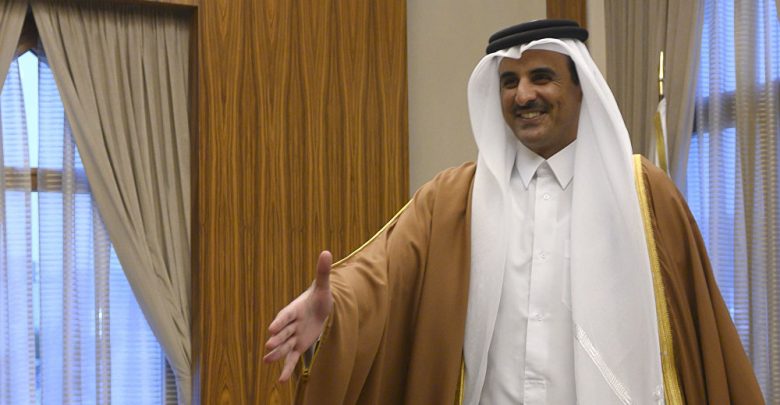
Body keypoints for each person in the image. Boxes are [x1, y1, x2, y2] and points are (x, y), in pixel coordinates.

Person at [263, 20, 765, 405]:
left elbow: (701, 330)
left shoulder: (643, 195)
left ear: (581, 88)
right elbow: (379, 275)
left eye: (541, 77)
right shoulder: (454, 199)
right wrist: (334, 310)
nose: (523, 95)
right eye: (509, 82)